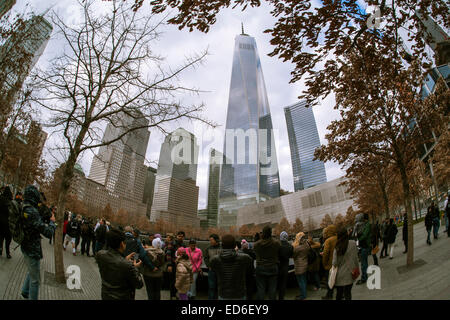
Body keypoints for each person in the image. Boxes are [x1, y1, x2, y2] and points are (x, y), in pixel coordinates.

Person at [20, 185, 56, 300]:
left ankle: (25, 291)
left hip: (25, 245)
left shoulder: (24, 206)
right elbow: (48, 233)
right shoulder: (32, 212)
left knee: (32, 270)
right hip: (32, 248)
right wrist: (52, 222)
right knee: (36, 280)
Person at [95, 228, 143, 300]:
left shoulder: (100, 254)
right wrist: (134, 267)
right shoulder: (127, 265)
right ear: (122, 244)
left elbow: (115, 263)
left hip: (106, 295)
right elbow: (139, 284)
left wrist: (125, 260)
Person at [210, 234, 253, 300]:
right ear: (234, 245)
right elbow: (250, 267)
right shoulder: (245, 258)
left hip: (223, 294)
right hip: (239, 294)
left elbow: (213, 269)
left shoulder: (215, 259)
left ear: (222, 245)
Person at [253, 225, 280, 300]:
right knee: (272, 288)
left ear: (263, 233)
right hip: (273, 267)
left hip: (261, 267)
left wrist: (257, 239)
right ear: (270, 233)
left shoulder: (257, 244)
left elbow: (255, 249)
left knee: (261, 288)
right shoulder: (276, 243)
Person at [332, 227, 359, 300]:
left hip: (339, 275)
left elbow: (334, 263)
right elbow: (356, 258)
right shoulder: (353, 243)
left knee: (339, 294)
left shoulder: (337, 247)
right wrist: (357, 269)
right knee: (348, 293)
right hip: (350, 273)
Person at [321, 224, 337, 300]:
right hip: (338, 263)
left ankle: (329, 295)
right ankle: (341, 294)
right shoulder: (338, 238)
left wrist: (324, 264)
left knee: (330, 281)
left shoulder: (328, 240)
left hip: (330, 264)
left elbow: (326, 254)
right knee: (336, 280)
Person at [292, 232, 310, 300]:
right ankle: (303, 293)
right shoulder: (306, 244)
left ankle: (303, 296)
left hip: (299, 266)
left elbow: (293, 255)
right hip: (305, 264)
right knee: (304, 280)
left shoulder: (298, 248)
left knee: (300, 281)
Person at [204, 233, 221, 300]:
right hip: (212, 270)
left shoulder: (222, 247)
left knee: (220, 287)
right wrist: (208, 266)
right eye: (210, 240)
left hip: (220, 270)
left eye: (211, 240)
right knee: (211, 287)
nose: (210, 241)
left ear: (216, 240)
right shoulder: (208, 248)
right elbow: (206, 258)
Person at [355, 213, 371, 285]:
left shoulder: (367, 225)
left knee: (363, 263)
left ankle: (364, 278)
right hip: (364, 246)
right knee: (364, 263)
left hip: (365, 246)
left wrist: (358, 239)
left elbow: (364, 235)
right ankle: (365, 276)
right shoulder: (364, 224)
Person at [277, 231, 293, 300]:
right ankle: (281, 297)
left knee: (276, 282)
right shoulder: (290, 246)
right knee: (283, 283)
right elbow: (291, 255)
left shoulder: (278, 246)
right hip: (285, 266)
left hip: (278, 266)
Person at [0, 186, 13, 259]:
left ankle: (0, 249)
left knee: (0, 237)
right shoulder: (10, 201)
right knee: (8, 238)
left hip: (0, 222)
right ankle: (8, 253)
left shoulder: (1, 199)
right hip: (8, 223)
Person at [163, 234, 177, 300]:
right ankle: (173, 295)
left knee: (172, 280)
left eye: (167, 237)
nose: (166, 238)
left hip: (172, 264)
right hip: (173, 263)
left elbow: (168, 255)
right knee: (173, 280)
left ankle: (172, 295)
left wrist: (169, 265)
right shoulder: (172, 243)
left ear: (170, 238)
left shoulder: (170, 244)